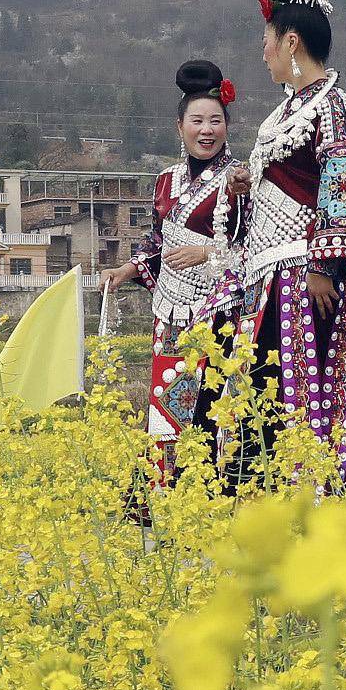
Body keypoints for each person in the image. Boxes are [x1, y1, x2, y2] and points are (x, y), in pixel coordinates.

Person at [215, 0, 346, 485]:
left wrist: (324, 265)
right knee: (268, 394)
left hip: (308, 276)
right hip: (274, 274)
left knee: (310, 392)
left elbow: (343, 184)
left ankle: (316, 503)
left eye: (268, 41)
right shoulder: (285, 113)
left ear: (290, 41)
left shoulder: (333, 105)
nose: (265, 52)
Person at [103, 59, 248, 482]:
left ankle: (218, 496)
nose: (207, 130)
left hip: (220, 311)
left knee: (217, 406)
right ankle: (168, 493)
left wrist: (205, 253)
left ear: (227, 127)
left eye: (216, 121)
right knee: (169, 404)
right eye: (197, 120)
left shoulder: (241, 179)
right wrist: (126, 270)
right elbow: (157, 242)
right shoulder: (165, 181)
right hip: (170, 312)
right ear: (179, 125)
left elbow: (255, 248)